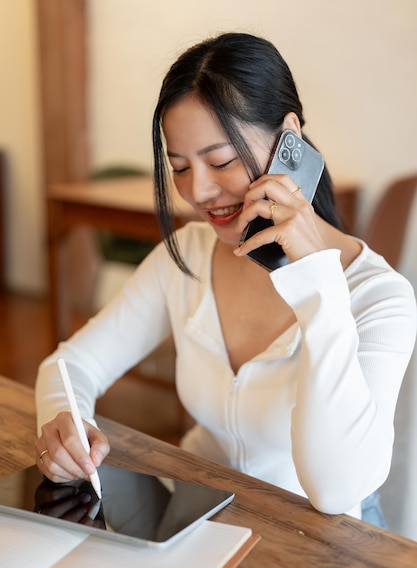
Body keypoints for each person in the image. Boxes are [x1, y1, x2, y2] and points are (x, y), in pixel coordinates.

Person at [35, 32, 416, 525]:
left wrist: (318, 283)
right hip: (199, 514)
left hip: (321, 545)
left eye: (221, 161)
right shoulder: (189, 256)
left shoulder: (381, 297)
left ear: (289, 139)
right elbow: (71, 365)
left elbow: (336, 488)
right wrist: (65, 426)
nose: (200, 190)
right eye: (179, 167)